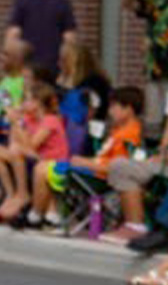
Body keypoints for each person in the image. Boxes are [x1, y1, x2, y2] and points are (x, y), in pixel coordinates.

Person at [26, 86, 143, 230]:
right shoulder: (119, 130)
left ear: (128, 109)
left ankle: (38, 214)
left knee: (43, 168)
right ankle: (47, 213)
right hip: (94, 171)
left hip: (99, 177)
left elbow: (116, 167)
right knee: (42, 167)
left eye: (114, 107)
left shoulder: (129, 135)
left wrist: (86, 163)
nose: (110, 111)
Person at [0, 82, 69, 221]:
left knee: (17, 150)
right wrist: (16, 122)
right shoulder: (29, 118)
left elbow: (31, 145)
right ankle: (11, 194)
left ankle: (22, 193)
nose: (23, 103)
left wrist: (17, 123)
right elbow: (13, 142)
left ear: (37, 103)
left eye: (27, 99)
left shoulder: (51, 120)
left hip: (51, 160)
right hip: (35, 157)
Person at [121, 0, 168, 139]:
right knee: (153, 124)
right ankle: (154, 160)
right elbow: (128, 2)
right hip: (156, 69)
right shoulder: (157, 0)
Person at [6, 0, 76, 75]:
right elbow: (70, 39)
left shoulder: (23, 1)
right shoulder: (62, 3)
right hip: (54, 67)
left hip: (27, 67)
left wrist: (9, 64)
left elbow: (13, 34)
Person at [58, 38, 111, 123]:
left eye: (63, 61)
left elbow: (94, 109)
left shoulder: (94, 82)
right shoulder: (64, 80)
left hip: (88, 128)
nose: (59, 64)